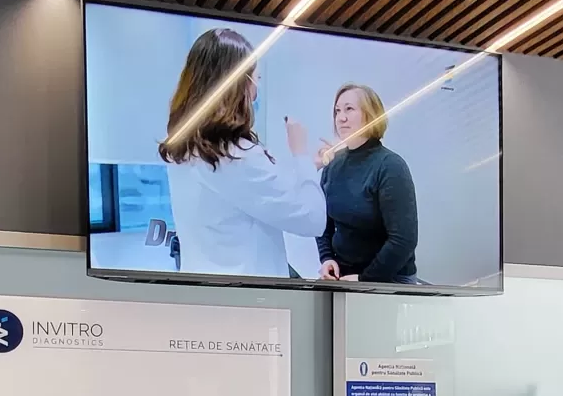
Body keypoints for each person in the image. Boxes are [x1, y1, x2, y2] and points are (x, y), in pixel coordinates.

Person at [159, 28, 325, 279]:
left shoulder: (184, 149)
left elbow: (248, 196)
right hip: (249, 296)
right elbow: (312, 219)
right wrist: (300, 153)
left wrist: (307, 168)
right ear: (238, 84)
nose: (256, 91)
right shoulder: (236, 157)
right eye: (255, 79)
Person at [317, 84, 419, 284]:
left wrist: (365, 279)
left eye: (349, 109)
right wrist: (327, 257)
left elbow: (403, 240)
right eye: (337, 111)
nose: (341, 117)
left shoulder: (390, 166)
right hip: (344, 275)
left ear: (370, 115)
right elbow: (322, 221)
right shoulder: (333, 164)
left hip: (387, 278)